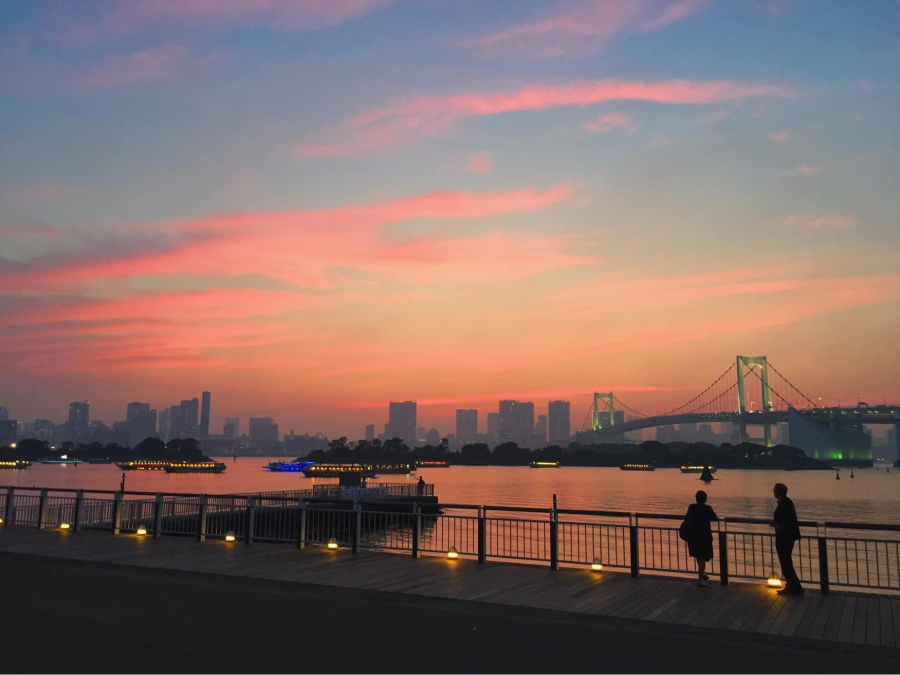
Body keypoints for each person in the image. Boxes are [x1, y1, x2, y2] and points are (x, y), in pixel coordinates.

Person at [771, 483, 803, 595]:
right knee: (786, 562)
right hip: (786, 536)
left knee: (785, 563)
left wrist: (777, 524)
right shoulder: (786, 502)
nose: (773, 492)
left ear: (777, 492)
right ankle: (792, 586)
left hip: (784, 537)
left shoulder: (784, 503)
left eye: (774, 490)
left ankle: (795, 588)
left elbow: (784, 519)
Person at [683, 490, 718, 587]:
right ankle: (700, 580)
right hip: (704, 536)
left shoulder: (692, 507)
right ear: (705, 499)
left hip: (693, 536)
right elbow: (714, 518)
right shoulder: (707, 508)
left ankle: (703, 574)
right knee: (702, 557)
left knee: (698, 555)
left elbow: (687, 518)